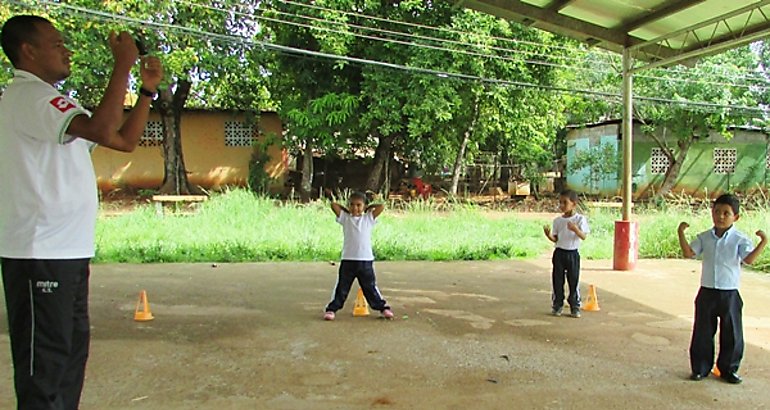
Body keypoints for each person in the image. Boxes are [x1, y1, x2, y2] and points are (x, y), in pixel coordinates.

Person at [0, 15, 163, 409]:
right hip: (38, 254)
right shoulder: (29, 97)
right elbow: (99, 127)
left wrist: (146, 92)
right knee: (45, 366)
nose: (66, 50)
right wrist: (121, 63)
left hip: (66, 252)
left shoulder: (54, 105)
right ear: (29, 51)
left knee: (69, 358)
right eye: (57, 44)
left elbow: (121, 140)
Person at [678, 193, 766, 384]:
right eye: (717, 212)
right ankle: (700, 368)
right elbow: (689, 253)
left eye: (726, 213)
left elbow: (748, 260)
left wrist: (763, 242)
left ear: (736, 217)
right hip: (707, 291)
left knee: (732, 333)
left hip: (730, 293)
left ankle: (729, 369)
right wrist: (681, 233)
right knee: (702, 331)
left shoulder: (739, 239)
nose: (720, 216)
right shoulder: (704, 237)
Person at [323, 191, 394, 321]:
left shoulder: (368, 218)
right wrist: (346, 209)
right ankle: (332, 309)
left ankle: (383, 308)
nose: (355, 208)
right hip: (348, 260)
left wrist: (368, 208)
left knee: (370, 287)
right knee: (342, 287)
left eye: (359, 205)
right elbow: (334, 205)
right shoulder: (345, 218)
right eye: (352, 205)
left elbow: (381, 207)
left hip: (365, 260)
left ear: (364, 206)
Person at [543, 190, 589, 318]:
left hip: (572, 253)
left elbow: (583, 236)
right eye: (560, 203)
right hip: (559, 253)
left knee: (573, 280)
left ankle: (575, 306)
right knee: (557, 280)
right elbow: (556, 239)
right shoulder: (558, 221)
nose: (562, 205)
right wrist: (548, 236)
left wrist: (575, 229)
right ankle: (557, 305)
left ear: (574, 204)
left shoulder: (579, 219)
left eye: (565, 203)